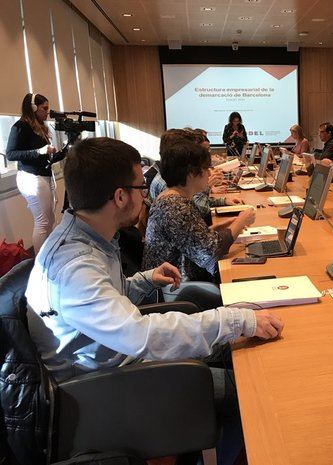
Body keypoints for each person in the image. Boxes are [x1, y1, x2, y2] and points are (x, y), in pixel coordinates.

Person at [25, 137, 283, 465]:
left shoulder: (86, 239)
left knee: (232, 354)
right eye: (140, 187)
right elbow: (140, 335)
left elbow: (106, 300)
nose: (146, 194)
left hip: (114, 364)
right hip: (96, 394)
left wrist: (143, 280)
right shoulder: (75, 267)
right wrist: (234, 320)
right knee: (245, 392)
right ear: (120, 197)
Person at [143, 139, 256, 282]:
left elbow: (193, 238)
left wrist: (221, 227)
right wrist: (241, 222)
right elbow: (211, 252)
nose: (209, 173)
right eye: (206, 169)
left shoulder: (173, 197)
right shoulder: (175, 206)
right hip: (177, 287)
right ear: (191, 174)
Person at [5, 93, 58, 253]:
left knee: (49, 220)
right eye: (44, 108)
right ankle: (41, 262)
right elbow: (11, 154)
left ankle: (48, 256)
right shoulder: (20, 126)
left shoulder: (39, 127)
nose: (47, 112)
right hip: (31, 177)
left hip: (43, 175)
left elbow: (43, 155)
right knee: (42, 222)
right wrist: (39, 151)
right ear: (34, 108)